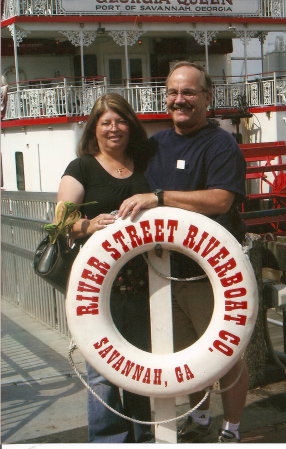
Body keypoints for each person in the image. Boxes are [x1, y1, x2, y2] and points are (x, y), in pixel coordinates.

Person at [118, 61, 247, 443]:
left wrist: (159, 197)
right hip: (163, 269)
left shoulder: (221, 143)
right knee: (190, 354)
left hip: (211, 274)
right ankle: (202, 418)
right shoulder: (156, 144)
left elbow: (221, 200)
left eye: (189, 92)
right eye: (173, 92)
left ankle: (232, 429)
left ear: (207, 97)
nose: (180, 99)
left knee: (225, 354)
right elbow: (117, 168)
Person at [57, 93, 153, 443]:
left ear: (130, 125)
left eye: (120, 121)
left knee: (140, 365)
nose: (114, 128)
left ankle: (142, 435)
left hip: (145, 283)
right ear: (94, 129)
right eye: (106, 123)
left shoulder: (143, 163)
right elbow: (61, 222)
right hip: (98, 288)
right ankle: (108, 439)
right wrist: (88, 225)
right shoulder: (81, 167)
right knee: (103, 372)